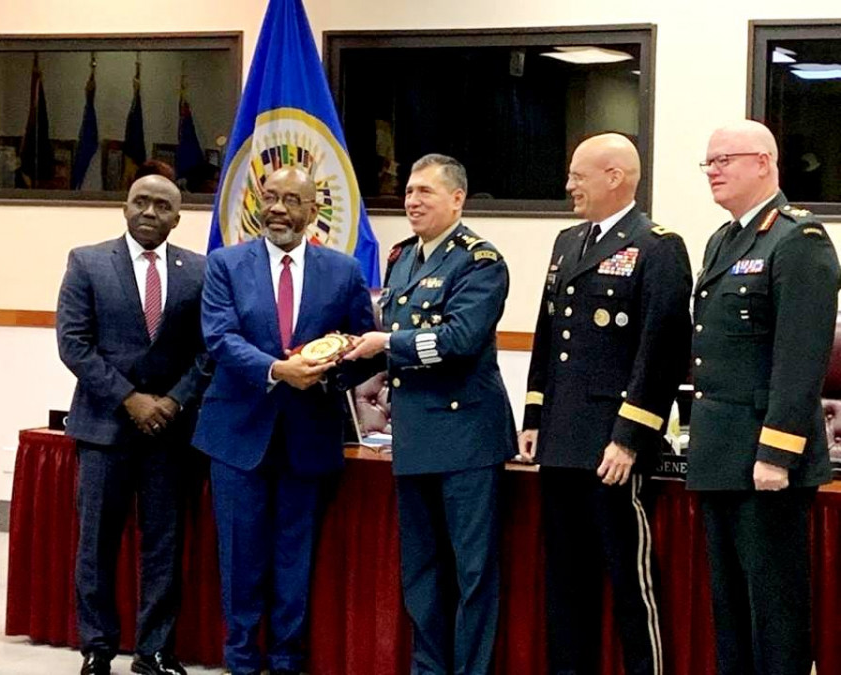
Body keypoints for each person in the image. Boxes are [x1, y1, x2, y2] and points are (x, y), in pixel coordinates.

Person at [517, 133, 692, 675]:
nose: (568, 185)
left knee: (629, 580)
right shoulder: (569, 241)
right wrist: (535, 417)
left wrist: (628, 437)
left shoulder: (658, 245)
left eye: (577, 175)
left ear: (614, 177)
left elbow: (660, 352)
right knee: (566, 580)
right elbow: (549, 338)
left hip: (613, 446)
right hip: (563, 439)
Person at [191, 166, 376, 675]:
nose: (277, 208)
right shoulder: (226, 264)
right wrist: (278, 370)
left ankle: (288, 659)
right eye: (269, 196)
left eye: (292, 199)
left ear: (313, 211)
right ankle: (242, 660)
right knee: (239, 558)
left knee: (295, 560)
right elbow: (220, 339)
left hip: (309, 437)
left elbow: (362, 348)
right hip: (237, 435)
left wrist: (325, 374)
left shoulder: (343, 271)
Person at [344, 153, 515, 675]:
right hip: (414, 434)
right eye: (410, 191)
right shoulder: (401, 258)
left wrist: (384, 342)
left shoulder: (480, 261)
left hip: (466, 437)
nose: (412, 201)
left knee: (472, 573)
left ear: (457, 198)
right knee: (420, 571)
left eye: (426, 192)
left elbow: (461, 340)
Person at [689, 120, 840, 675]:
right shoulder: (723, 240)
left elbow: (800, 360)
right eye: (708, 162)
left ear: (765, 162)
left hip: (764, 462)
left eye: (725, 159)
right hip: (720, 454)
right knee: (730, 614)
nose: (714, 171)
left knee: (774, 616)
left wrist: (776, 453)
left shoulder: (798, 240)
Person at [56, 174, 211, 675]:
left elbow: (209, 350)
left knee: (164, 544)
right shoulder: (88, 261)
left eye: (162, 205)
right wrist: (130, 399)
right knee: (97, 544)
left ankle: (155, 650)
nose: (149, 212)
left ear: (177, 217)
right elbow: (74, 344)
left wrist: (173, 400)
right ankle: (97, 648)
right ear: (125, 208)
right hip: (104, 429)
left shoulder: (200, 271)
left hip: (171, 432)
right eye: (140, 202)